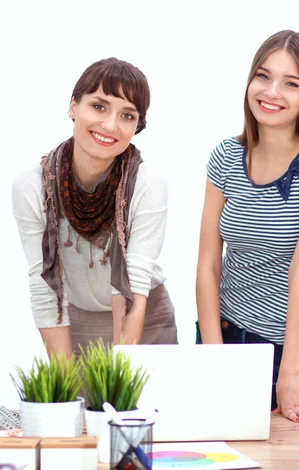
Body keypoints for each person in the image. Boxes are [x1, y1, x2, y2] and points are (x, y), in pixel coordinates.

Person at [196, 30, 299, 423]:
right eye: (263, 77)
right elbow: (208, 265)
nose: (271, 91)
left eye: (291, 83)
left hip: (276, 346)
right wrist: (212, 355)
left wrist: (289, 373)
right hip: (218, 331)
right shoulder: (226, 156)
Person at [12, 58, 178, 359]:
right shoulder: (32, 186)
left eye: (127, 115)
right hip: (75, 323)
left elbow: (134, 282)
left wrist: (120, 369)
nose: (110, 125)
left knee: (133, 404)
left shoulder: (148, 183)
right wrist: (64, 379)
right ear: (73, 106)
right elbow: (44, 286)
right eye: (99, 106)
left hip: (145, 318)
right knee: (71, 401)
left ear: (136, 127)